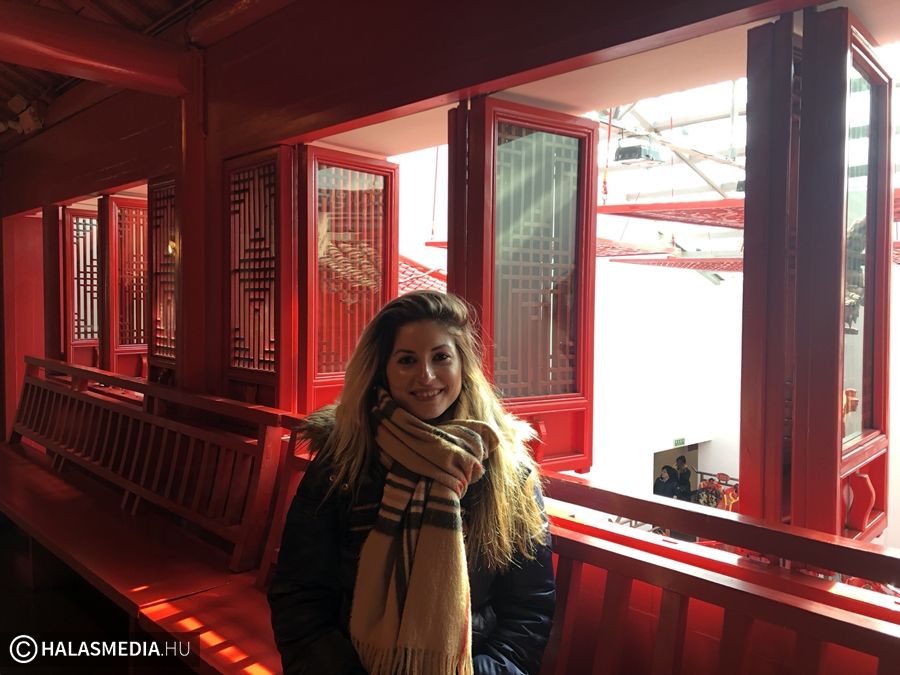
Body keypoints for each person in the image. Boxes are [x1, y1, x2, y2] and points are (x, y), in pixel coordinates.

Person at [268, 291, 555, 675]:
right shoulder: (345, 461)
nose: (426, 376)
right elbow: (299, 594)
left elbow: (528, 610)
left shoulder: (506, 472)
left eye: (441, 357)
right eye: (407, 360)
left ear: (463, 365)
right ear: (381, 370)